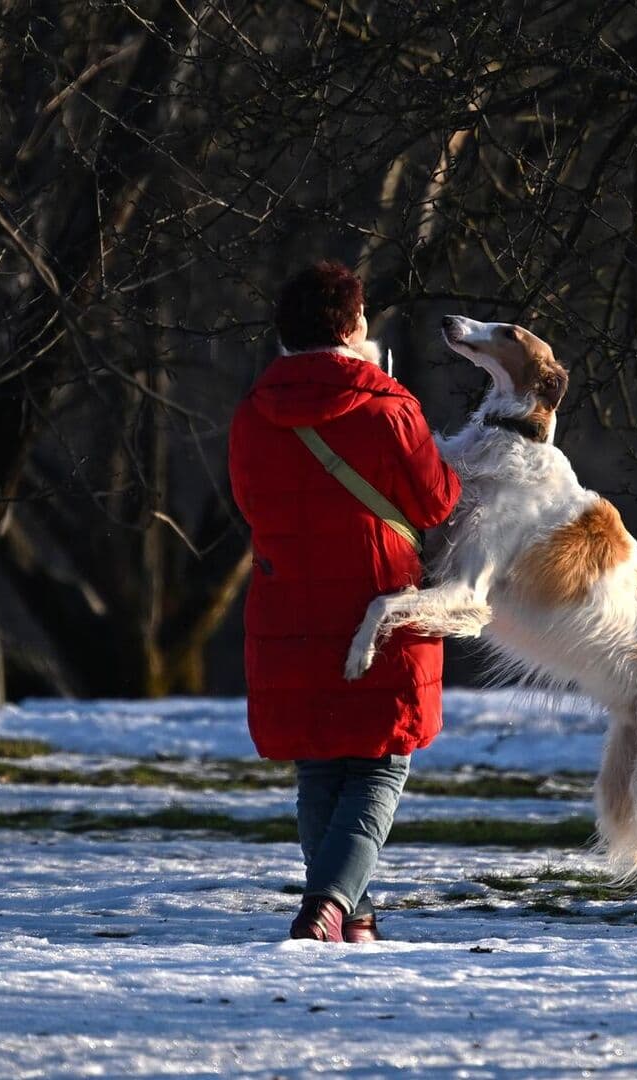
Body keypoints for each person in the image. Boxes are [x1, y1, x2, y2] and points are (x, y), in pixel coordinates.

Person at [227, 261, 461, 942]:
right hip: (377, 607)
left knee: (320, 765)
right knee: (378, 768)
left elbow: (250, 506)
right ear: (353, 327)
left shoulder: (251, 416)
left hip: (286, 609)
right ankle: (326, 906)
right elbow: (437, 500)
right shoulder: (389, 407)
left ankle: (352, 918)